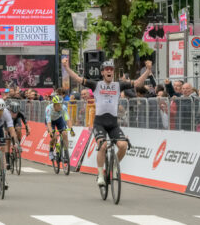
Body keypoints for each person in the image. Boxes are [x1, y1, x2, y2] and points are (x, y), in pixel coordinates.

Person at [62, 58, 152, 186]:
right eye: (106, 70)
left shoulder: (119, 85)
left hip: (113, 124)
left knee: (123, 146)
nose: (109, 71)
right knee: (103, 146)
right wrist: (66, 68)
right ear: (103, 72)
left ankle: (114, 167)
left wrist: (148, 70)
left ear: (113, 72)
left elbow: (137, 83)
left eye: (111, 69)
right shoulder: (96, 85)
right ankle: (100, 175)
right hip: (99, 123)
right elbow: (77, 78)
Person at [45, 95, 75, 161]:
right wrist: (51, 132)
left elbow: (67, 119)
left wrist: (71, 129)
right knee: (54, 136)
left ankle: (66, 153)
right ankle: (51, 150)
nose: (60, 106)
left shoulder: (63, 107)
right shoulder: (48, 109)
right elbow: (49, 124)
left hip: (59, 119)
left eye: (61, 104)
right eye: (58, 105)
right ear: (54, 105)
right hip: (51, 121)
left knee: (64, 133)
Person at [7, 101, 30, 168]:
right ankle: (7, 159)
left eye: (16, 113)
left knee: (19, 129)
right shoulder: (6, 112)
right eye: (13, 113)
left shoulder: (20, 112)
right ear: (10, 110)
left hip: (17, 121)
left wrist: (27, 129)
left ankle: (18, 144)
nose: (14, 114)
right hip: (8, 122)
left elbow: (26, 123)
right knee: (7, 140)